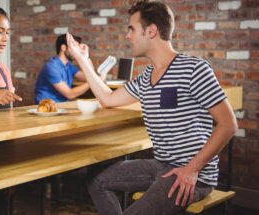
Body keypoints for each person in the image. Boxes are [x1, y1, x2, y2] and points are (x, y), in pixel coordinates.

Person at [66, 0, 238, 214]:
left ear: (151, 31)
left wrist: (192, 169)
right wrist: (83, 60)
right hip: (161, 165)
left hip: (194, 174)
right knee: (96, 180)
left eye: (131, 29)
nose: (127, 36)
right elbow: (108, 99)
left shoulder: (194, 68)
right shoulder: (146, 77)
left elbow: (229, 124)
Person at [34, 34, 91, 104]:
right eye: (73, 47)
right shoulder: (51, 67)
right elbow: (70, 94)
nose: (76, 51)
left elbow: (88, 76)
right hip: (47, 110)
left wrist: (86, 56)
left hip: (61, 106)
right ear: (63, 47)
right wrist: (93, 82)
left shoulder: (68, 66)